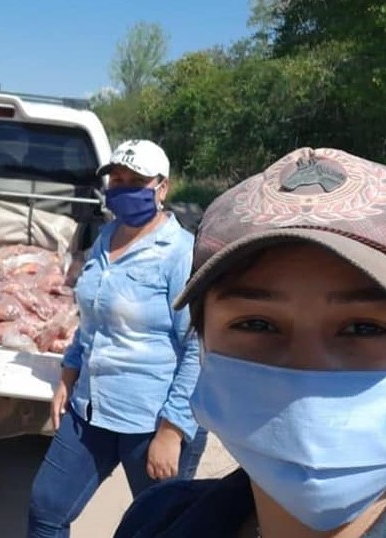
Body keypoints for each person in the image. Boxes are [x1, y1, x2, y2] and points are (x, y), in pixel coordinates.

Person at [113, 147, 386, 538]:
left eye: (365, 328)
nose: (305, 375)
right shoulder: (155, 521)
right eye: (258, 324)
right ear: (204, 345)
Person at [27, 140, 208, 537]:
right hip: (91, 410)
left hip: (152, 419)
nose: (123, 188)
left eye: (135, 181)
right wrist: (69, 373)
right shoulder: (106, 238)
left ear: (162, 188)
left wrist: (172, 431)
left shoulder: (180, 254)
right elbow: (91, 318)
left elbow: (199, 347)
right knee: (46, 508)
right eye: (117, 179)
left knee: (158, 528)